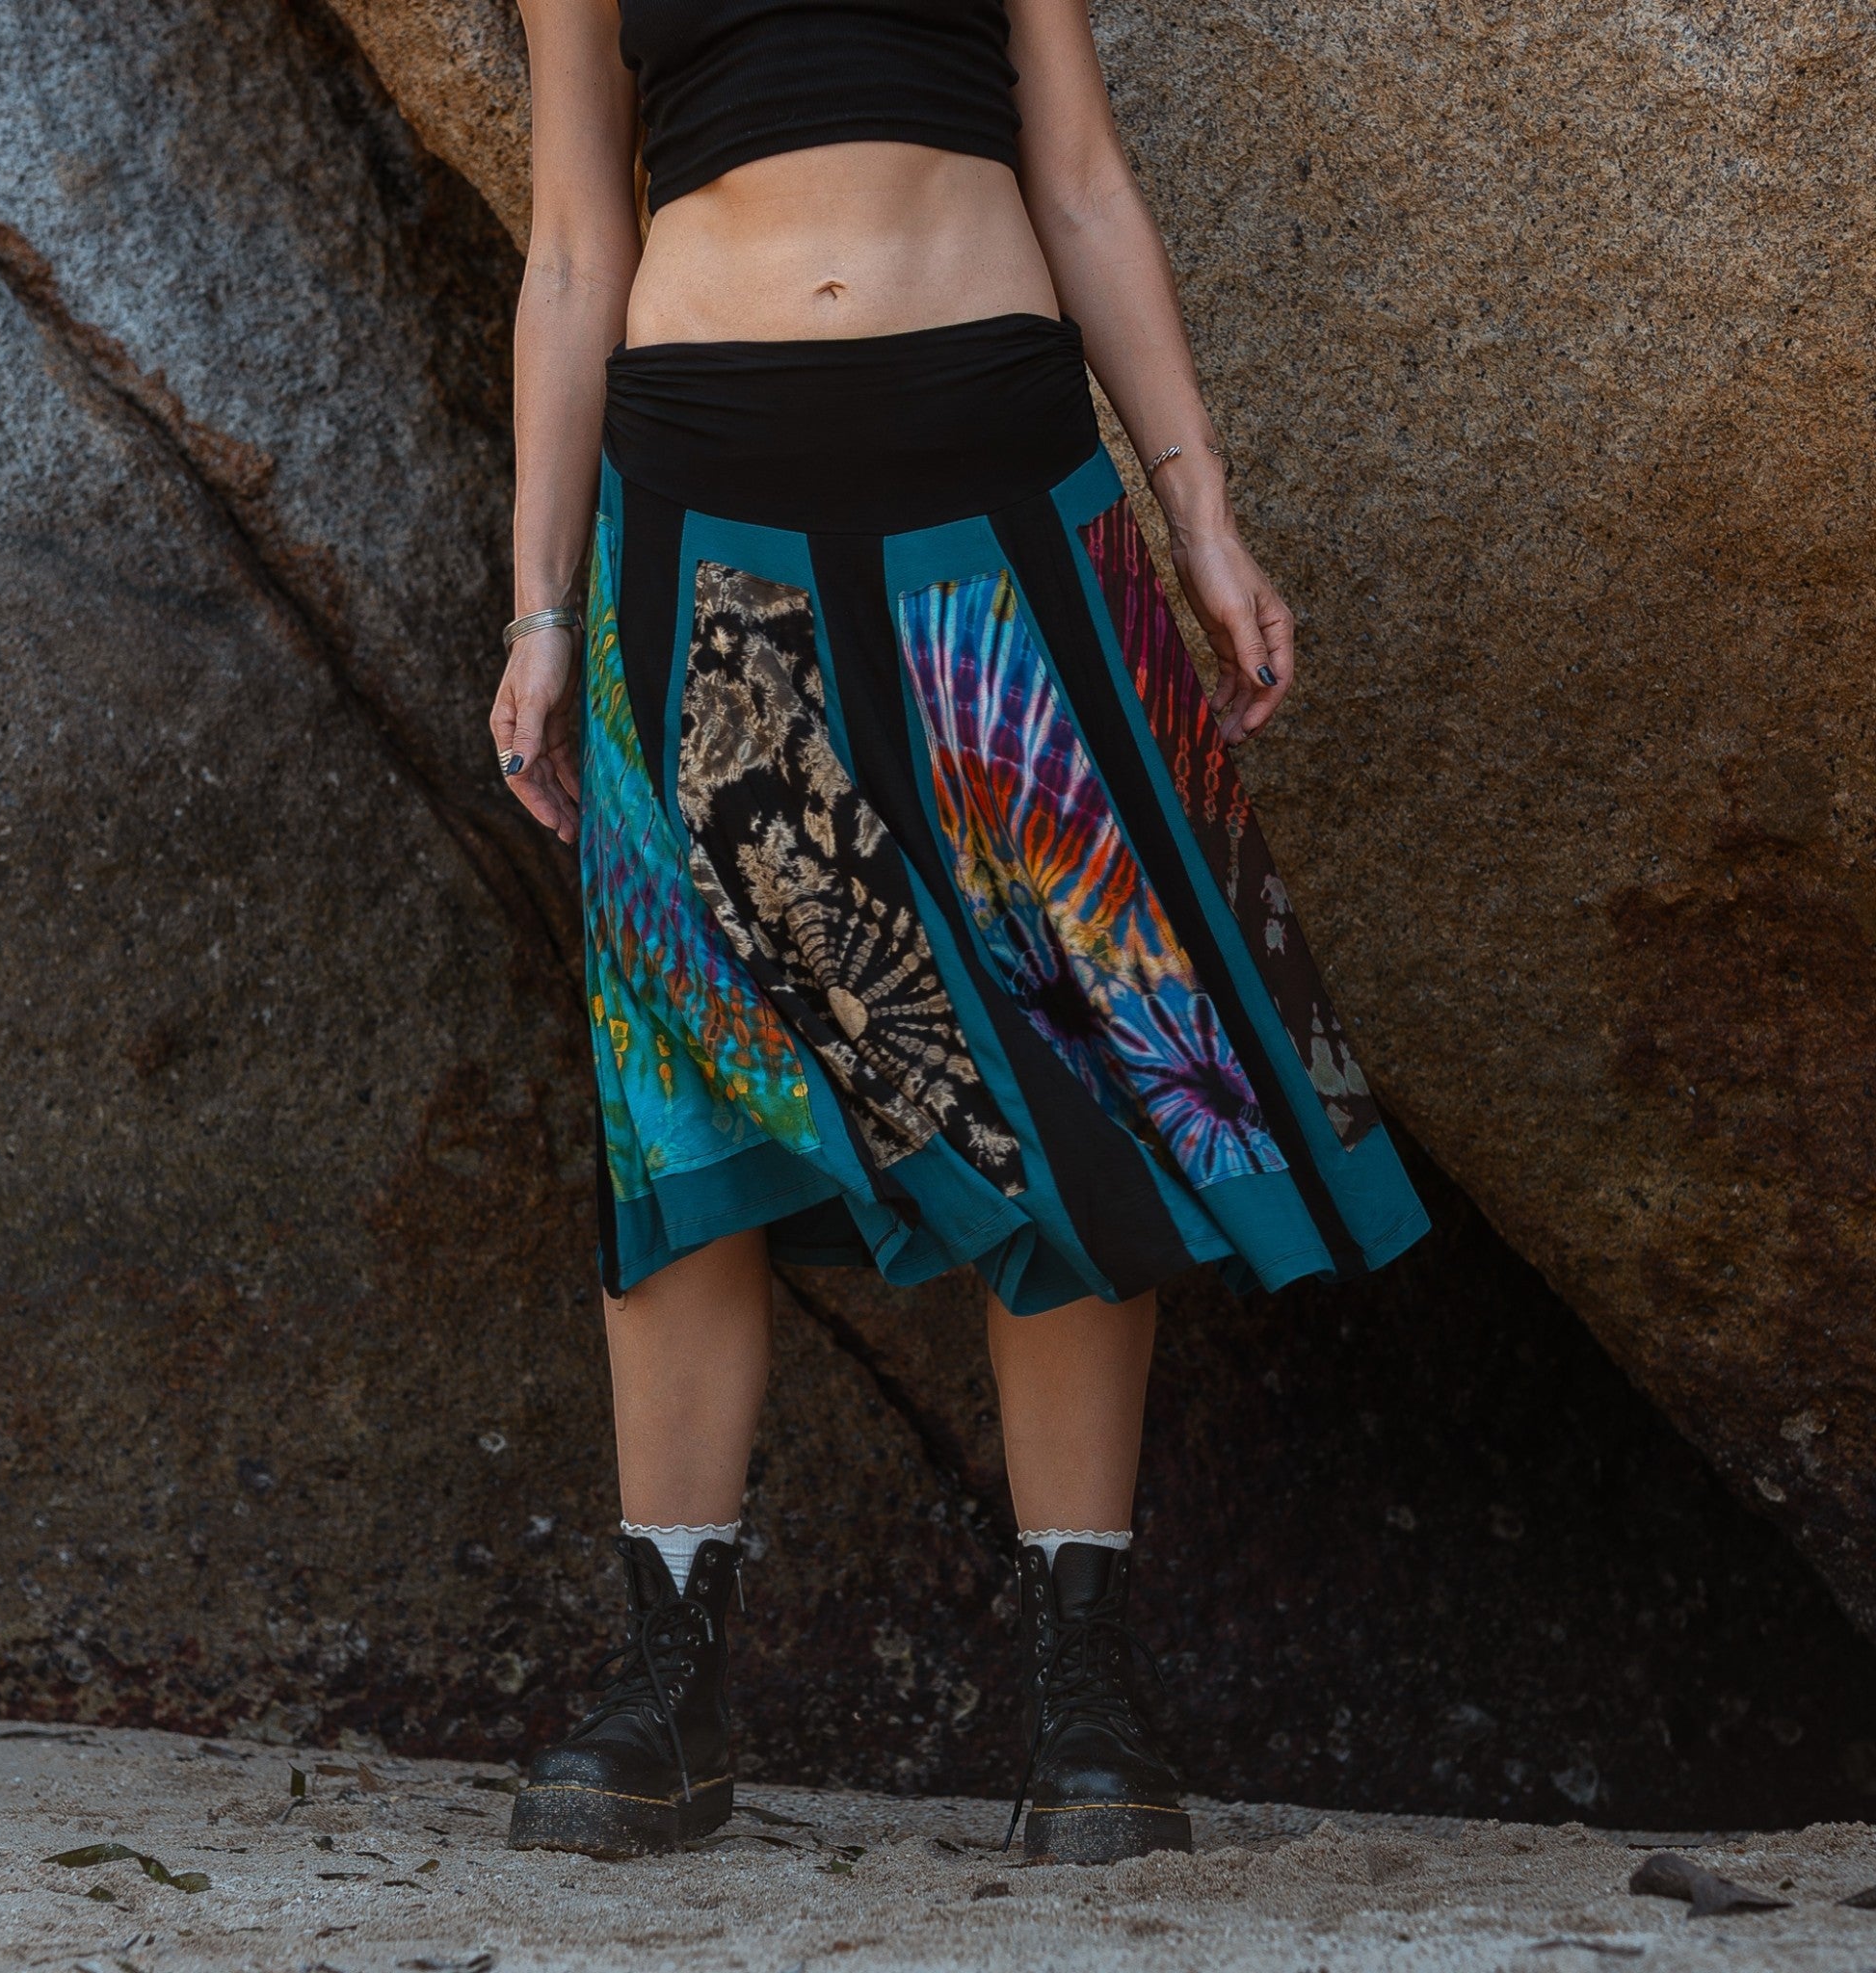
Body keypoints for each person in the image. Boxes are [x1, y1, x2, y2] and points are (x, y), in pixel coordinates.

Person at [489, 0, 1428, 1866]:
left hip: (999, 488)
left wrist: (1202, 511)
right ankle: (666, 1681)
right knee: (687, 1065)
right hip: (697, 506)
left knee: (1066, 1038)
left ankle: (1083, 1692)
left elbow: (1075, 174)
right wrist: (532, 604)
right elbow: (578, 237)